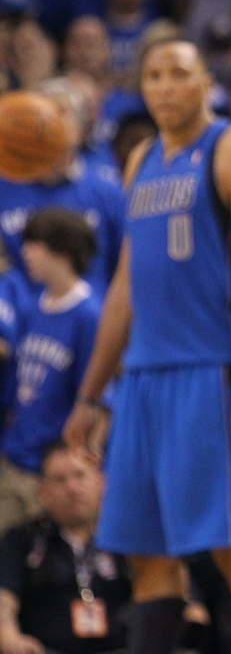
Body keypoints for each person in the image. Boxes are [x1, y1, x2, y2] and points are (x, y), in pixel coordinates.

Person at [62, 37, 231, 654]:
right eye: (154, 75)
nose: (164, 86)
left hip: (210, 375)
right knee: (148, 558)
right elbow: (124, 292)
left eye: (179, 74)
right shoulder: (140, 162)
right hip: (141, 379)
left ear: (205, 82)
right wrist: (90, 394)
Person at [0, 211, 100, 534]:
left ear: (61, 251)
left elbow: (99, 400)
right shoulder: (34, 307)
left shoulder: (89, 315)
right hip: (16, 460)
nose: (25, 252)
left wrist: (80, 466)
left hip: (56, 471)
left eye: (34, 244)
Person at [0, 444, 131, 654]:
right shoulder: (23, 539)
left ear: (101, 481)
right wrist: (7, 634)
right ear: (43, 491)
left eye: (80, 476)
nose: (72, 488)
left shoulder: (126, 537)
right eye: (60, 480)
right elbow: (4, 596)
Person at [0, 82, 126, 297]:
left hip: (91, 322)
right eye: (41, 112)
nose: (49, 119)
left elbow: (126, 273)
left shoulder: (108, 191)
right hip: (22, 324)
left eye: (61, 111)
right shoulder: (4, 187)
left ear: (80, 130)